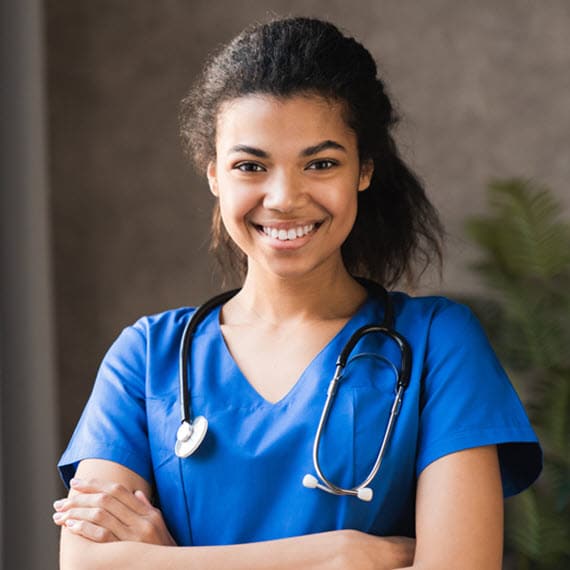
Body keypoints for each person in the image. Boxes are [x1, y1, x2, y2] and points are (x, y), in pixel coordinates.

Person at [53, 17, 542, 569]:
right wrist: (338, 554)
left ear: (364, 170)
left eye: (321, 163)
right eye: (250, 165)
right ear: (214, 174)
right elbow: (88, 564)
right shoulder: (147, 358)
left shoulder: (438, 345)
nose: (284, 197)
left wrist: (171, 562)